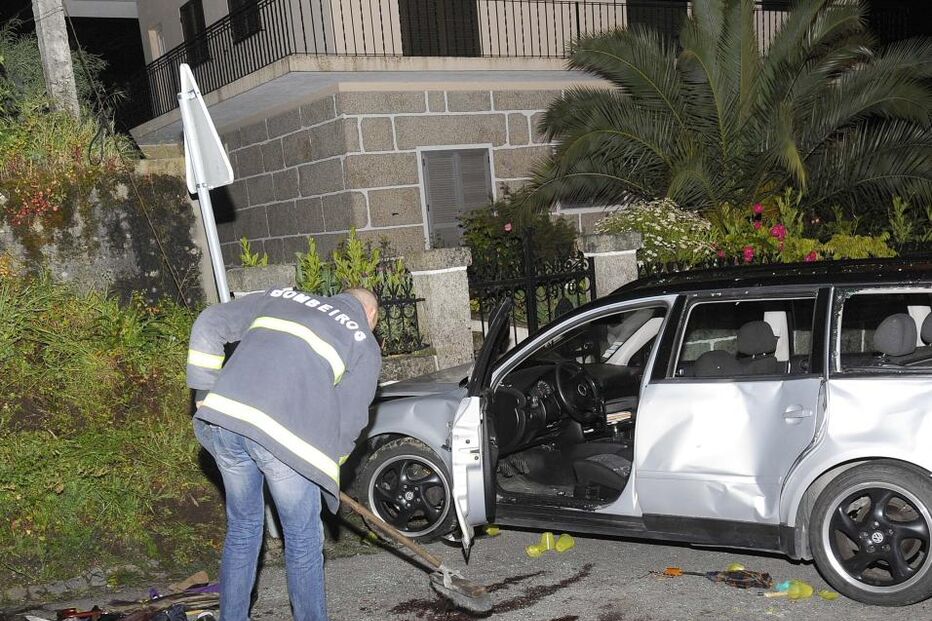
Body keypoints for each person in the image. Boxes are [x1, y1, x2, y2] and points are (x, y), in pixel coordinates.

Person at [186, 287, 382, 621]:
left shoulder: (282, 297)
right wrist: (328, 467)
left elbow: (209, 321)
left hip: (225, 421)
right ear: (372, 317)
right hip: (284, 440)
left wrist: (203, 389)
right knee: (303, 541)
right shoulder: (363, 340)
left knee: (244, 528)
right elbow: (351, 421)